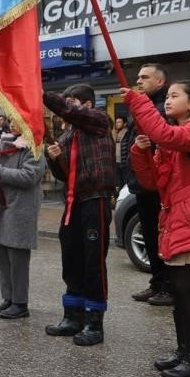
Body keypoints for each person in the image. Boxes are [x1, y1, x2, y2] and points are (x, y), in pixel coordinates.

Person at [124, 80, 190, 377]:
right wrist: (141, 152)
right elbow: (154, 181)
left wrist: (139, 102)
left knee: (185, 288)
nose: (167, 101)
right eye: (166, 96)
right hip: (178, 216)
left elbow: (162, 133)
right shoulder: (176, 139)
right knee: (179, 291)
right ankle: (185, 353)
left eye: (174, 96)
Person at [43, 85, 116, 347]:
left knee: (93, 261)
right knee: (71, 257)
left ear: (85, 103)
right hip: (73, 201)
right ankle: (72, 316)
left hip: (94, 199)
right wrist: (53, 158)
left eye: (71, 102)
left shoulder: (97, 120)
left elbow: (67, 110)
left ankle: (94, 321)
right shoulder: (69, 134)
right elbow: (63, 174)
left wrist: (39, 94)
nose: (67, 107)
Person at [125, 64, 173, 307]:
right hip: (141, 183)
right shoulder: (141, 107)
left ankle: (169, 286)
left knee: (161, 237)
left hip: (158, 183)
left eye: (145, 77)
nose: (139, 81)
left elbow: (160, 134)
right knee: (150, 236)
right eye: (138, 77)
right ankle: (157, 282)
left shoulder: (163, 108)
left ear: (160, 81)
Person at [0, 121, 46, 320]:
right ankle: (8, 298)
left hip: (21, 208)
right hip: (4, 205)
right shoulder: (6, 143)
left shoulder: (34, 147)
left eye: (17, 120)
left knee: (17, 258)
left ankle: (20, 302)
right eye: (10, 119)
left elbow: (29, 176)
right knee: (3, 255)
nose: (12, 124)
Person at [113, 116, 129, 192]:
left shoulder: (127, 133)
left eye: (119, 122)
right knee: (119, 183)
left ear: (124, 124)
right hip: (117, 162)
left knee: (125, 182)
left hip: (125, 163)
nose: (117, 124)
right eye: (116, 122)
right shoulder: (116, 134)